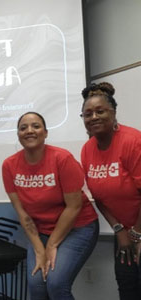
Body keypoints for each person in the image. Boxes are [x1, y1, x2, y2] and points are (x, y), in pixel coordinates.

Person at [2, 112, 99, 300]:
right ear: (18, 134)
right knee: (36, 285)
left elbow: (74, 207)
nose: (29, 131)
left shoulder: (62, 159)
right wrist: (40, 250)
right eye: (23, 128)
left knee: (56, 284)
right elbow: (23, 214)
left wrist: (51, 246)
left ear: (45, 133)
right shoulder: (9, 165)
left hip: (77, 228)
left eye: (36, 126)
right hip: (40, 232)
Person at [80, 82, 141, 299]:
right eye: (87, 114)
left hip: (138, 229)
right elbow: (99, 197)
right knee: (127, 285)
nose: (94, 117)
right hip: (124, 232)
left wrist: (137, 233)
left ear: (113, 113)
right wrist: (120, 231)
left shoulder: (133, 140)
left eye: (100, 111)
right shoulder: (87, 149)